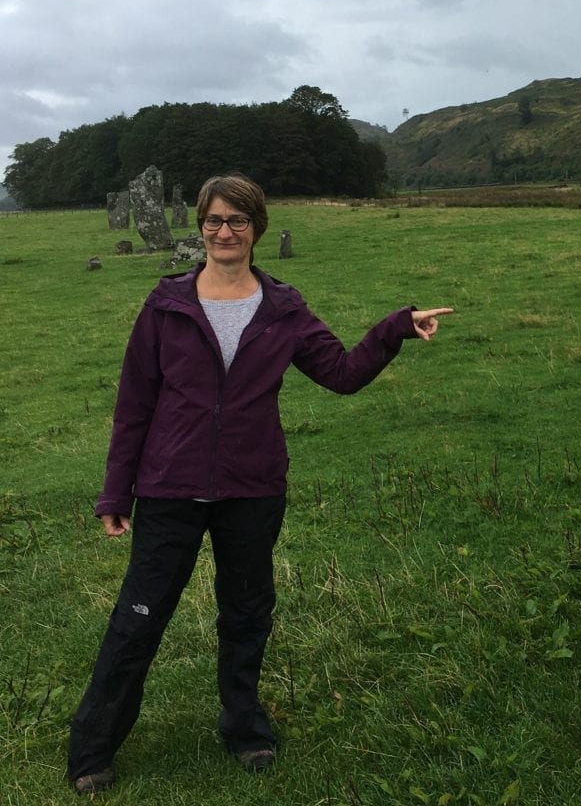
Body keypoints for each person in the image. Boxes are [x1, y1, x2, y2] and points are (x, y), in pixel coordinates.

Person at [67, 173, 452, 795]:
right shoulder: (166, 305)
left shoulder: (283, 308)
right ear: (201, 227)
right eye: (215, 221)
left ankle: (246, 730)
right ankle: (92, 750)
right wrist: (116, 493)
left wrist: (395, 328)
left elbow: (343, 374)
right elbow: (134, 404)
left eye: (238, 221)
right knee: (137, 620)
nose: (225, 232)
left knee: (246, 615)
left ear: (256, 229)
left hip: (252, 490)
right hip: (169, 490)